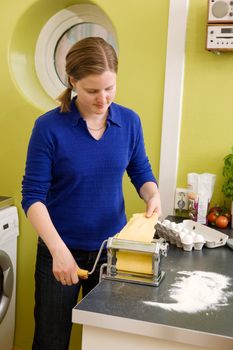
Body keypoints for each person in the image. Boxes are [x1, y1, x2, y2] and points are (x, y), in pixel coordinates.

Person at [21, 36, 162, 350]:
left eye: (110, 88)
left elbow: (140, 171)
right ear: (72, 82)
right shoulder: (48, 127)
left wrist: (152, 194)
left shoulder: (129, 121)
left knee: (108, 342)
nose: (103, 99)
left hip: (110, 255)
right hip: (60, 252)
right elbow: (32, 196)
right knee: (50, 341)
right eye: (92, 91)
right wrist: (58, 251)